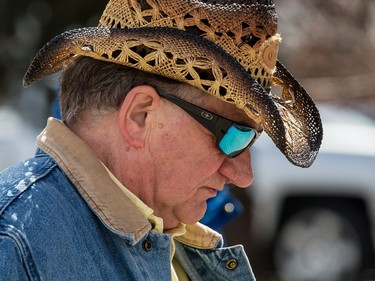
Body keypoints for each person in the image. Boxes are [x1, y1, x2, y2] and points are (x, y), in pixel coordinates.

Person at [0, 0, 323, 280]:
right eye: (234, 135)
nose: (243, 174)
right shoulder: (10, 242)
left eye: (252, 140)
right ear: (140, 115)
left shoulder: (179, 237)